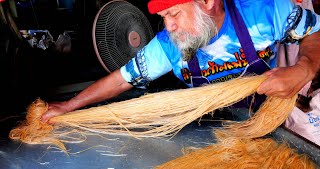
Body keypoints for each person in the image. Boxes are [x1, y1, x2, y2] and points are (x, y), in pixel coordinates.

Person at [41, 0, 320, 123]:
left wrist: (303, 68)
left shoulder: (262, 12)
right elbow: (120, 80)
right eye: (163, 17)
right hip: (218, 130)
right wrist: (69, 106)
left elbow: (316, 33)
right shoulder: (168, 46)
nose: (169, 26)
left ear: (206, 1)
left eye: (173, 13)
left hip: (276, 116)